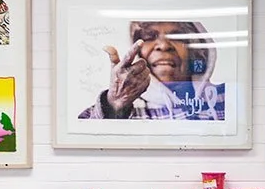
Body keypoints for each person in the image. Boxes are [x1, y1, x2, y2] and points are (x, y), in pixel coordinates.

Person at [79, 20, 223, 120]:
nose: (163, 45)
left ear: (195, 50)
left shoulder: (226, 100)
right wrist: (115, 105)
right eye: (149, 37)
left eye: (177, 37)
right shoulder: (126, 111)